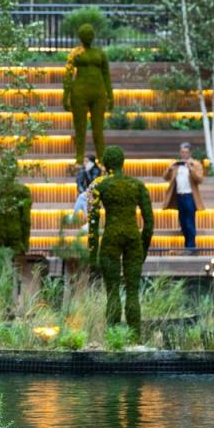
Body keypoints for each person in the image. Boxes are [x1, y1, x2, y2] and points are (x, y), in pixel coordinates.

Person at [88, 146, 153, 340]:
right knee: (133, 291)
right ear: (122, 162)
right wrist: (144, 249)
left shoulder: (99, 186)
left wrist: (93, 255)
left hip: (111, 238)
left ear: (106, 164)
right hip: (133, 239)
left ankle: (113, 338)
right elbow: (149, 222)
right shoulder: (137, 185)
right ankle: (134, 338)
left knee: (112, 291)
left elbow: (93, 223)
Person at [64, 23, 113, 164]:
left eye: (90, 34)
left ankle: (102, 158)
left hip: (98, 94)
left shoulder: (100, 54)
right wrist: (65, 95)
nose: (88, 37)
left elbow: (106, 75)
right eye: (86, 34)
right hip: (79, 94)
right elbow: (68, 74)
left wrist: (110, 95)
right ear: (81, 37)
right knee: (80, 128)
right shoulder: (75, 54)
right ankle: (79, 157)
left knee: (98, 129)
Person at [163, 142, 205, 253]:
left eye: (186, 152)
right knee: (182, 223)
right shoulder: (176, 165)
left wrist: (191, 169)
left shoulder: (195, 164)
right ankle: (188, 247)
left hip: (190, 197)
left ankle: (191, 247)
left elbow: (200, 179)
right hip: (179, 197)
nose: (184, 154)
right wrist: (169, 169)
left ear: (190, 152)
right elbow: (165, 178)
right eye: (182, 152)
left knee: (190, 222)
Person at [73, 154, 102, 232]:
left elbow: (93, 182)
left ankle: (74, 215)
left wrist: (87, 172)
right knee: (83, 198)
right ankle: (88, 222)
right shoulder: (84, 169)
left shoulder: (97, 170)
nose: (85, 162)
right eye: (84, 161)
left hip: (95, 192)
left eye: (87, 161)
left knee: (83, 198)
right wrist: (83, 192)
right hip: (86, 193)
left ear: (92, 162)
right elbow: (79, 182)